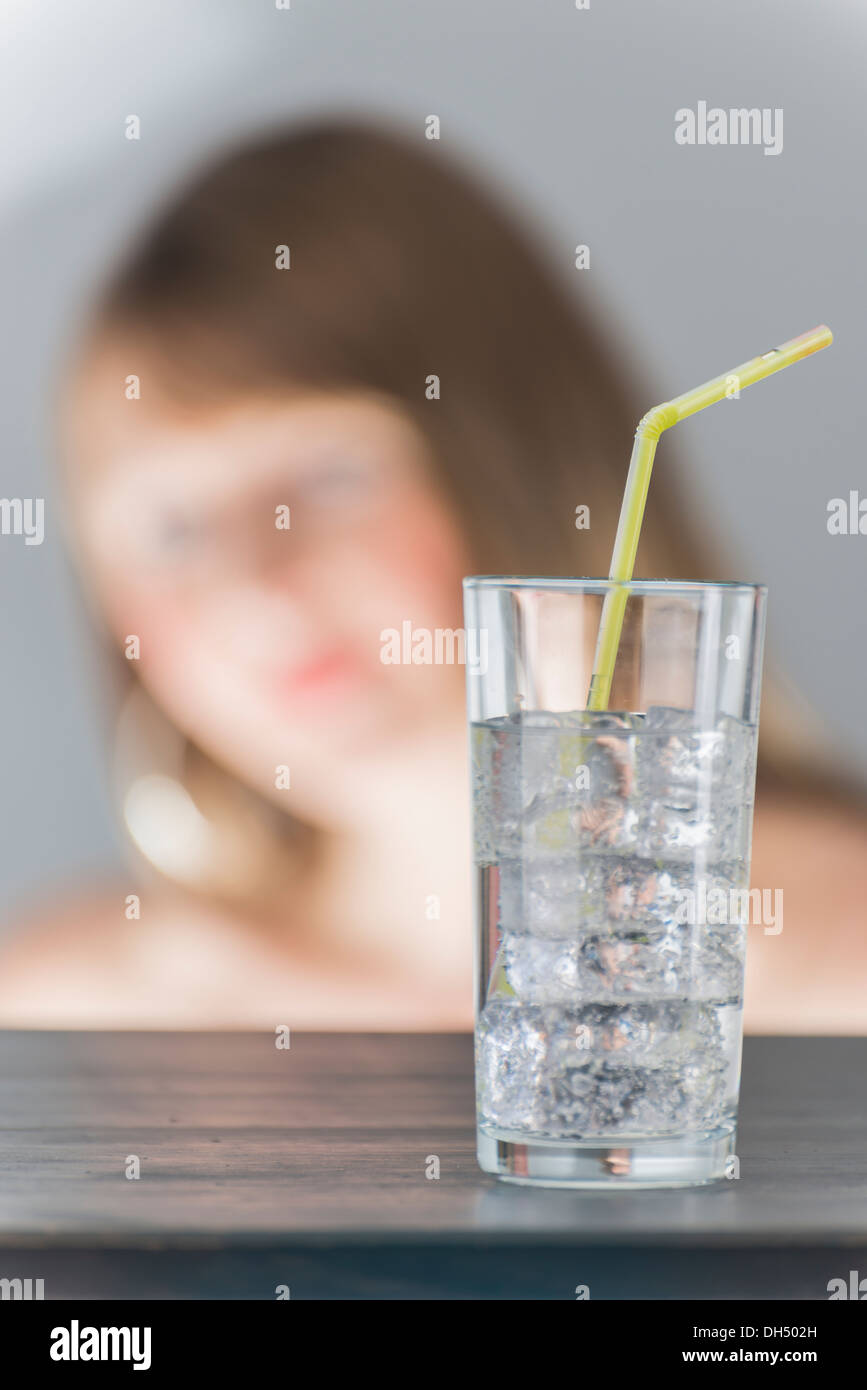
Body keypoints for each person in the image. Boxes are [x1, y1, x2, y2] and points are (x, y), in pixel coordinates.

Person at [0, 118, 863, 1030]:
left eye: (332, 475)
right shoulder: (62, 1015)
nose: (255, 586)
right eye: (173, 529)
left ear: (522, 460)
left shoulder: (834, 965)